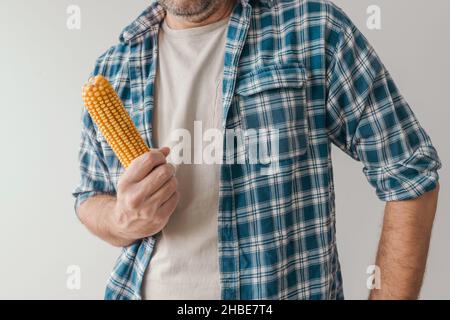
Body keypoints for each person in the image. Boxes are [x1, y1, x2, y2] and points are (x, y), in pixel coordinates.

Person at [73, 0, 441, 300]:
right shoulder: (114, 67)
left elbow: (410, 171)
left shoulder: (314, 30)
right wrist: (123, 218)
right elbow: (90, 196)